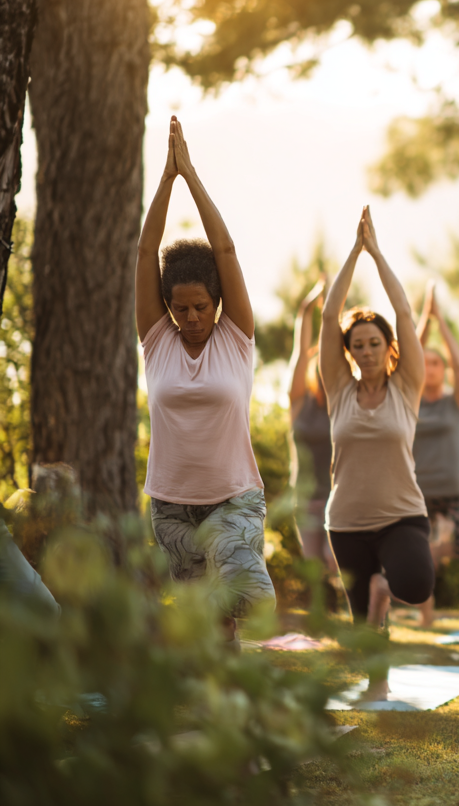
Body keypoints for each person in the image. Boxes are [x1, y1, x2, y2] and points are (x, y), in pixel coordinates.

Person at [136, 116, 275, 646]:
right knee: (211, 631)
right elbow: (146, 255)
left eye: (200, 307)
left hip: (233, 498)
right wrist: (164, 182)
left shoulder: (234, 337)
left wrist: (190, 176)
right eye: (180, 308)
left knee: (248, 598)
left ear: (217, 304)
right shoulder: (157, 339)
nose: (191, 318)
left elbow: (227, 253)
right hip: (171, 504)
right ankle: (228, 706)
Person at [321, 207, 433, 699]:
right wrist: (351, 253)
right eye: (358, 345)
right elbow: (329, 315)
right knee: (359, 613)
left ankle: (384, 591)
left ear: (389, 348)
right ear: (349, 353)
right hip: (345, 520)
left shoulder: (406, 386)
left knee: (413, 586)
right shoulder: (338, 390)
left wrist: (376, 253)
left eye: (374, 344)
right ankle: (377, 685)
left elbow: (405, 313)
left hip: (400, 516)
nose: (366, 351)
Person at [412, 281, 459, 627]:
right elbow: (409, 354)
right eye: (425, 363)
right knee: (419, 556)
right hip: (420, 490)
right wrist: (424, 321)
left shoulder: (456, 402)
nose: (431, 368)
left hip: (455, 488)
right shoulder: (409, 401)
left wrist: (440, 322)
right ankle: (426, 615)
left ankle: (439, 547)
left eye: (436, 363)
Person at [287, 276, 341, 602]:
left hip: (337, 495)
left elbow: (343, 345)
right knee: (312, 566)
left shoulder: (342, 402)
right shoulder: (299, 403)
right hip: (305, 496)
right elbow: (298, 356)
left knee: (337, 561)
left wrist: (333, 309)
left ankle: (357, 612)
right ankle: (325, 615)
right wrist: (307, 312)